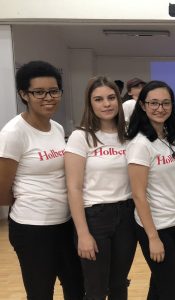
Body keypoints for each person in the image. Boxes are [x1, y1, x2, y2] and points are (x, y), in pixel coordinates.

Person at [0, 60, 84, 299]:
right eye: (39, 92)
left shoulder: (56, 128)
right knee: (40, 292)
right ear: (23, 94)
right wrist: (33, 203)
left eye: (54, 90)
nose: (49, 97)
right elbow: (1, 190)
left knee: (76, 288)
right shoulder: (13, 133)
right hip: (32, 229)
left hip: (65, 223)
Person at [65, 76, 136, 300]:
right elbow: (74, 187)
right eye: (99, 99)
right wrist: (82, 233)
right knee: (96, 289)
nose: (106, 104)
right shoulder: (81, 137)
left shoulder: (129, 135)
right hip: (95, 218)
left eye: (111, 97)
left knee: (119, 285)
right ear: (90, 103)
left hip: (126, 215)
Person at [126, 81, 175, 299]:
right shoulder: (140, 144)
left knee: (159, 287)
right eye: (154, 103)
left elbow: (170, 174)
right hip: (155, 227)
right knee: (172, 292)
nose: (160, 108)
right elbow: (138, 195)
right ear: (143, 105)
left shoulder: (170, 137)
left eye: (165, 103)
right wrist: (152, 237)